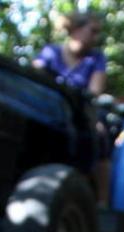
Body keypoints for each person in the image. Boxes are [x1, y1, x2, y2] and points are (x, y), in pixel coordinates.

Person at [33, 11, 111, 205]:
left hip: (83, 112)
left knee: (99, 134)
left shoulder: (96, 58)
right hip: (50, 111)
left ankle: (101, 201)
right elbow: (34, 75)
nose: (96, 37)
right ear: (76, 29)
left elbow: (95, 90)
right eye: (92, 31)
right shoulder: (51, 53)